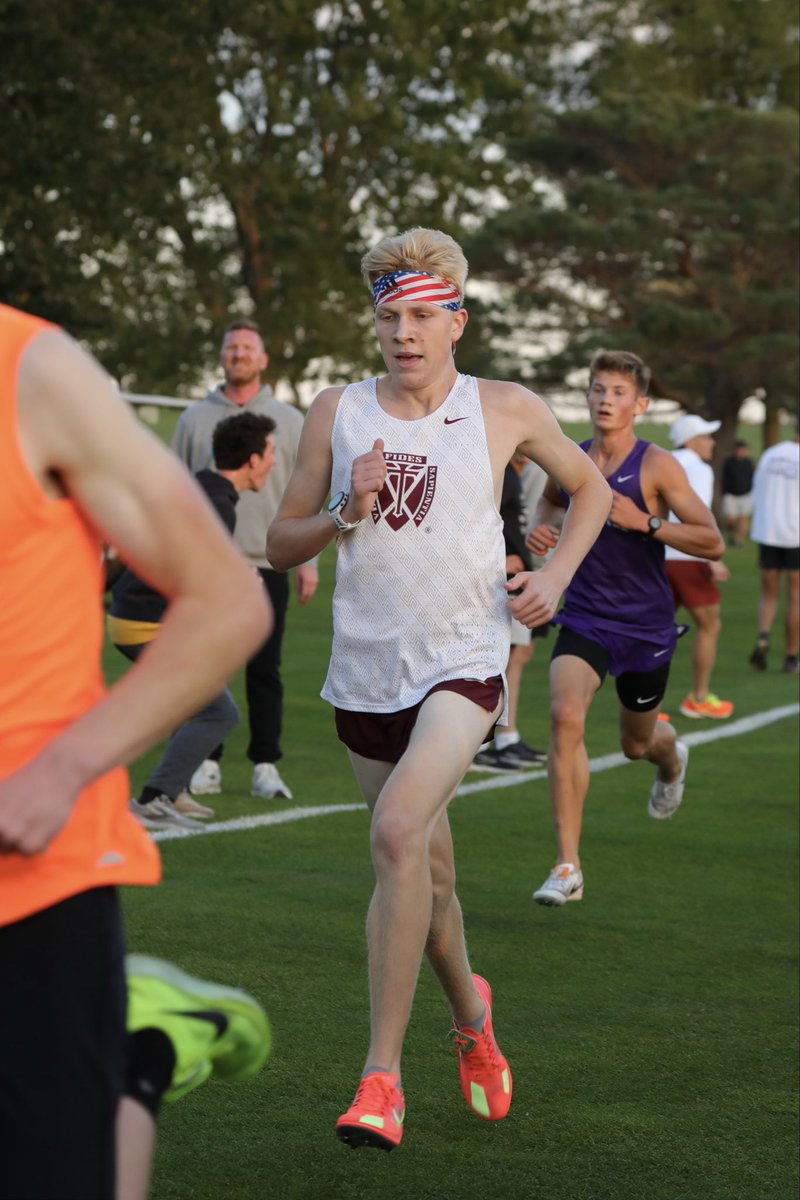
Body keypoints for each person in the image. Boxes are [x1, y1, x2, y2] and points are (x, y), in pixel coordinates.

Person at [267, 227, 611, 1150]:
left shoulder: (501, 406)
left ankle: (381, 1079)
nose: (405, 333)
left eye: (423, 315)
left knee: (392, 833)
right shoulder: (335, 411)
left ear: (457, 320)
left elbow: (592, 491)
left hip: (465, 657)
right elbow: (281, 541)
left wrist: (556, 579)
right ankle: (472, 1015)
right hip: (365, 669)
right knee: (430, 874)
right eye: (390, 316)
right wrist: (346, 509)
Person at [0, 302, 272, 1200]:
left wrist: (62, 770)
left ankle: (142, 1052)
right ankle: (142, 1049)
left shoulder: (33, 370)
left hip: (28, 873)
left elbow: (227, 600)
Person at [528, 350, 725, 908]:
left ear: (639, 404)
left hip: (645, 624)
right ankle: (567, 865)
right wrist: (544, 532)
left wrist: (647, 522)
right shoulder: (570, 458)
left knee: (637, 744)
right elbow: (545, 508)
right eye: (597, 389)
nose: (605, 400)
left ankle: (672, 757)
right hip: (585, 615)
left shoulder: (658, 465)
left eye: (617, 392)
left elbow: (712, 541)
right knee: (565, 715)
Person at [171, 319, 318, 802]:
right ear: (221, 357)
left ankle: (265, 765)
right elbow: (174, 489)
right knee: (206, 666)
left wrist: (308, 560)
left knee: (265, 668)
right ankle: (206, 762)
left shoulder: (290, 420)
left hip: (267, 561)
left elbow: (306, 492)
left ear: (263, 359)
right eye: (230, 346)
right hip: (210, 567)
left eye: (247, 347)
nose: (238, 354)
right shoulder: (194, 418)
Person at [109, 412, 277, 827]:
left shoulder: (201, 489)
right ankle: (153, 800)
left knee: (192, 704)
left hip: (135, 616)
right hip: (149, 623)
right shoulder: (218, 504)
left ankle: (176, 792)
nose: (274, 463)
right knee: (219, 713)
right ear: (252, 460)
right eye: (271, 453)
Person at [472, 454, 548, 771]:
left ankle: (505, 738)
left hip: (515, 572)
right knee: (496, 659)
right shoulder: (492, 465)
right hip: (498, 576)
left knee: (516, 655)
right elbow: (477, 522)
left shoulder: (513, 470)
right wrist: (500, 561)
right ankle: (482, 743)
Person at [664, 414, 734, 720]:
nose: (712, 442)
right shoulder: (699, 468)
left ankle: (646, 706)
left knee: (657, 630)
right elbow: (698, 518)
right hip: (688, 557)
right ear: (692, 441)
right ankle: (699, 698)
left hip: (656, 556)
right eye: (706, 437)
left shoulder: (662, 460)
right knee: (710, 626)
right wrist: (711, 558)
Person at [748, 425, 800, 674]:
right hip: (795, 535)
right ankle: (791, 657)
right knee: (795, 597)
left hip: (767, 533)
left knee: (768, 594)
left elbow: (756, 492)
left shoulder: (771, 454)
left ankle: (763, 638)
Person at [721, 439, 755, 548]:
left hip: (745, 494)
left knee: (743, 517)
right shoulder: (728, 462)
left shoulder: (749, 463)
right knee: (730, 519)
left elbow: (752, 477)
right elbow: (724, 478)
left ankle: (740, 540)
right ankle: (731, 534)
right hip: (731, 494)